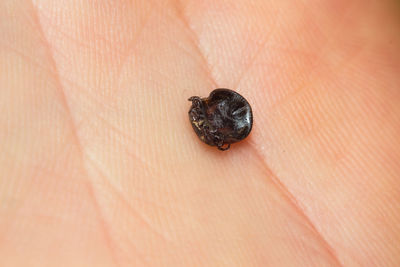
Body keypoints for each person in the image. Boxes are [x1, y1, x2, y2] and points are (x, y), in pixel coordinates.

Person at [1, 0, 399, 266]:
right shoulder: (214, 121)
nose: (206, 117)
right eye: (208, 116)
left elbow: (220, 122)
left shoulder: (218, 122)